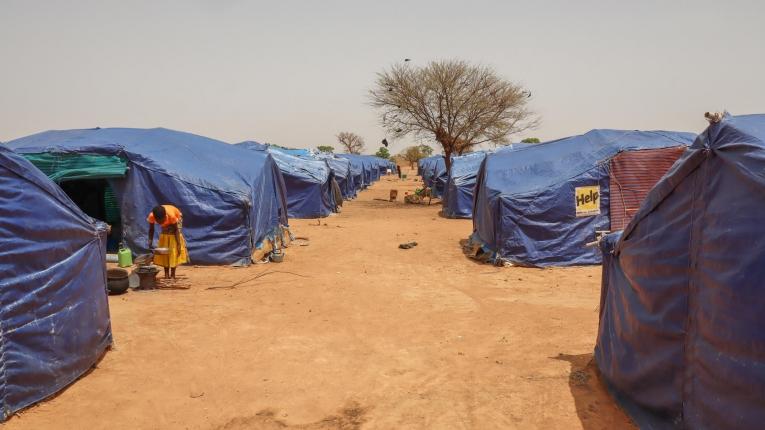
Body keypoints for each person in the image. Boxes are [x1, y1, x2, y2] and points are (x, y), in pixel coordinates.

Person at [147, 204, 188, 279]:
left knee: (173, 247)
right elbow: (151, 229)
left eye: (162, 221)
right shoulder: (151, 216)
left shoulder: (172, 216)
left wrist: (178, 244)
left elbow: (176, 230)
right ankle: (166, 274)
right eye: (159, 222)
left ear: (165, 216)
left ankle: (172, 274)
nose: (161, 223)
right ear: (155, 218)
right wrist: (150, 241)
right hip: (168, 220)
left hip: (176, 219)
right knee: (164, 242)